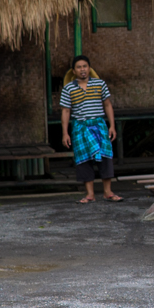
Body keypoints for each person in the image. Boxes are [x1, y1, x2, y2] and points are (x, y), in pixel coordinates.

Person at [59, 55, 121, 203]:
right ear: (74, 71)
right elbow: (66, 111)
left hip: (99, 126)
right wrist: (65, 133)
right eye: (79, 67)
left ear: (89, 68)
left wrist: (112, 125)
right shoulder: (68, 89)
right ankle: (90, 194)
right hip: (80, 128)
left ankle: (108, 192)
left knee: (105, 157)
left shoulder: (100, 84)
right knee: (83, 160)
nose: (82, 70)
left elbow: (107, 105)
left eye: (85, 66)